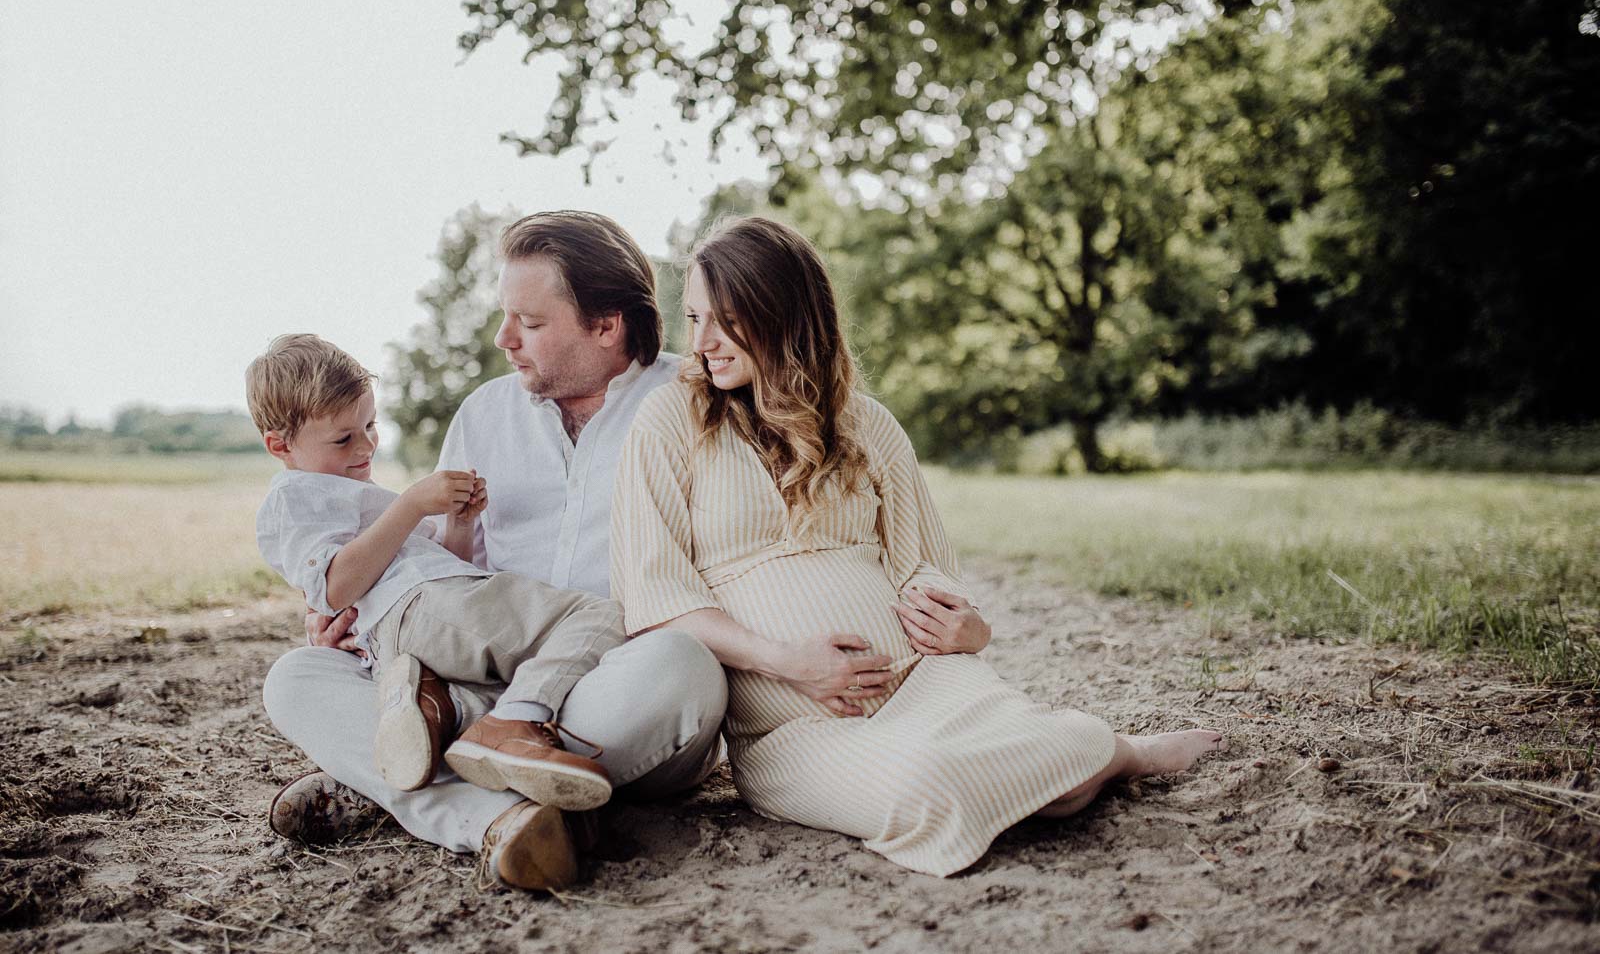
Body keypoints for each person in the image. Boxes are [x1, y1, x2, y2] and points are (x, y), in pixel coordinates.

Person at [611, 216, 1225, 877]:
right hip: (795, 728)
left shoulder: (867, 424)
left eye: (722, 320)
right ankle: (1095, 751)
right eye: (694, 317)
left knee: (1063, 786)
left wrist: (968, 625)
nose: (699, 343)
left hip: (923, 679)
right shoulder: (671, 421)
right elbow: (657, 596)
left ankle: (1115, 751)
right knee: (927, 790)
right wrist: (788, 660)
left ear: (782, 316)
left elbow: (920, 566)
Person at [260, 212, 728, 891]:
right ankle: (502, 816)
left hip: (613, 690)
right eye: (506, 316)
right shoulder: (483, 415)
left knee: (682, 667)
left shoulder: (696, 404)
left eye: (531, 323)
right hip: (484, 671)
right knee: (297, 679)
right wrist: (352, 619)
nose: (504, 339)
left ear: (607, 324)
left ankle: (414, 774)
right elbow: (449, 577)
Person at [247, 333, 622, 810]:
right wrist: (411, 503)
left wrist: (458, 523)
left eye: (370, 425)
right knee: (603, 618)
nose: (367, 446)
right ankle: (511, 726)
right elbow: (335, 587)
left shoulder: (350, 493)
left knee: (502, 676)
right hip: (420, 607)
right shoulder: (295, 497)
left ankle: (434, 708)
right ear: (279, 445)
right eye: (343, 438)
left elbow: (449, 565)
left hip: (422, 614)